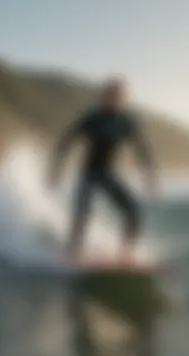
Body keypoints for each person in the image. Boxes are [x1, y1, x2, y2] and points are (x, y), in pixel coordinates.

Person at [48, 77, 157, 263]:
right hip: (89, 173)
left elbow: (142, 149)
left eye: (118, 96)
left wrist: (149, 176)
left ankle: (125, 254)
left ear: (123, 98)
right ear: (103, 96)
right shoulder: (92, 118)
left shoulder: (125, 122)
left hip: (108, 174)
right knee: (83, 212)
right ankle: (73, 253)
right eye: (110, 95)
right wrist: (56, 169)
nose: (114, 99)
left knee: (133, 210)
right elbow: (65, 142)